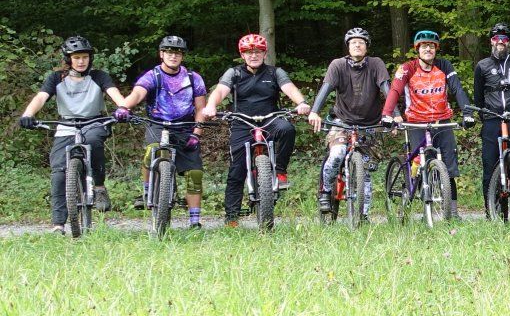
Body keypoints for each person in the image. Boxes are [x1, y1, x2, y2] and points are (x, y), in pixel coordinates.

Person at [18, 36, 131, 234]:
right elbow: (41, 97)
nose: (81, 61)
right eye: (76, 57)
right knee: (58, 173)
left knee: (94, 141)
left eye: (85, 57)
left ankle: (99, 187)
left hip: (93, 122)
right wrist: (28, 114)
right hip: (66, 125)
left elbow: (115, 94)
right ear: (68, 59)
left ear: (90, 58)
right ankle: (58, 224)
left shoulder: (99, 76)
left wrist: (123, 108)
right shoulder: (56, 78)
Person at [201, 34, 312, 228]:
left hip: (270, 119)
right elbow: (220, 91)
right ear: (242, 55)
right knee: (237, 170)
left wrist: (301, 102)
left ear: (264, 54)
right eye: (249, 52)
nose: (254, 55)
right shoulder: (234, 73)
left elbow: (289, 88)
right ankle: (232, 218)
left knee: (287, 129)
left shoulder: (274, 73)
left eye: (258, 52)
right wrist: (211, 105)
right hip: (242, 121)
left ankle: (280, 171)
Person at [382, 30, 474, 219]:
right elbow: (395, 90)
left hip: (442, 121)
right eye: (424, 46)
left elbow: (457, 88)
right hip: (416, 122)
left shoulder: (444, 66)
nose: (428, 49)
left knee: (448, 168)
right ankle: (420, 204)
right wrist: (387, 114)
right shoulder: (407, 68)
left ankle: (453, 213)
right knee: (420, 163)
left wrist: (468, 114)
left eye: (431, 46)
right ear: (417, 49)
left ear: (436, 49)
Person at [125, 35, 207, 228]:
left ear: (182, 56)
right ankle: (147, 191)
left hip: (184, 126)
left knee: (195, 174)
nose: (173, 56)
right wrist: (124, 107)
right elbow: (138, 93)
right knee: (152, 150)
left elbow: (200, 108)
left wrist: (197, 133)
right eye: (169, 52)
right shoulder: (152, 76)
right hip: (157, 123)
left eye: (177, 53)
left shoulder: (193, 78)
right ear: (161, 54)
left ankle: (195, 221)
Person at [306, 27, 389, 218]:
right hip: (342, 121)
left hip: (369, 124)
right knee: (337, 154)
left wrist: (394, 114)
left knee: (366, 169)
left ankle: (363, 216)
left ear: (367, 46)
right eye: (353, 42)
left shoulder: (376, 64)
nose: (357, 45)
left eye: (361, 42)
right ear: (348, 46)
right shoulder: (338, 65)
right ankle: (326, 191)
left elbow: (386, 88)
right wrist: (314, 111)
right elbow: (326, 89)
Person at [473, 22, 510, 209]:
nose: (500, 41)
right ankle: (492, 209)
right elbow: (478, 96)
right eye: (496, 38)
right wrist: (485, 115)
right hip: (492, 119)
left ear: (509, 42)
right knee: (490, 166)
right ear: (491, 41)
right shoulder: (482, 66)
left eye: (504, 38)